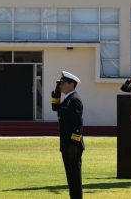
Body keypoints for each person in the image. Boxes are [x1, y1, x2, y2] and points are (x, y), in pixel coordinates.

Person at [51, 71, 84, 199]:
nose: (61, 85)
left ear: (71, 84)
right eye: (60, 84)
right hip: (66, 144)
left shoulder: (74, 100)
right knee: (70, 177)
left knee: (75, 177)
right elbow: (55, 107)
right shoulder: (67, 100)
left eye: (63, 83)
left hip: (72, 146)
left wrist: (74, 144)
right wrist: (56, 92)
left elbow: (78, 124)